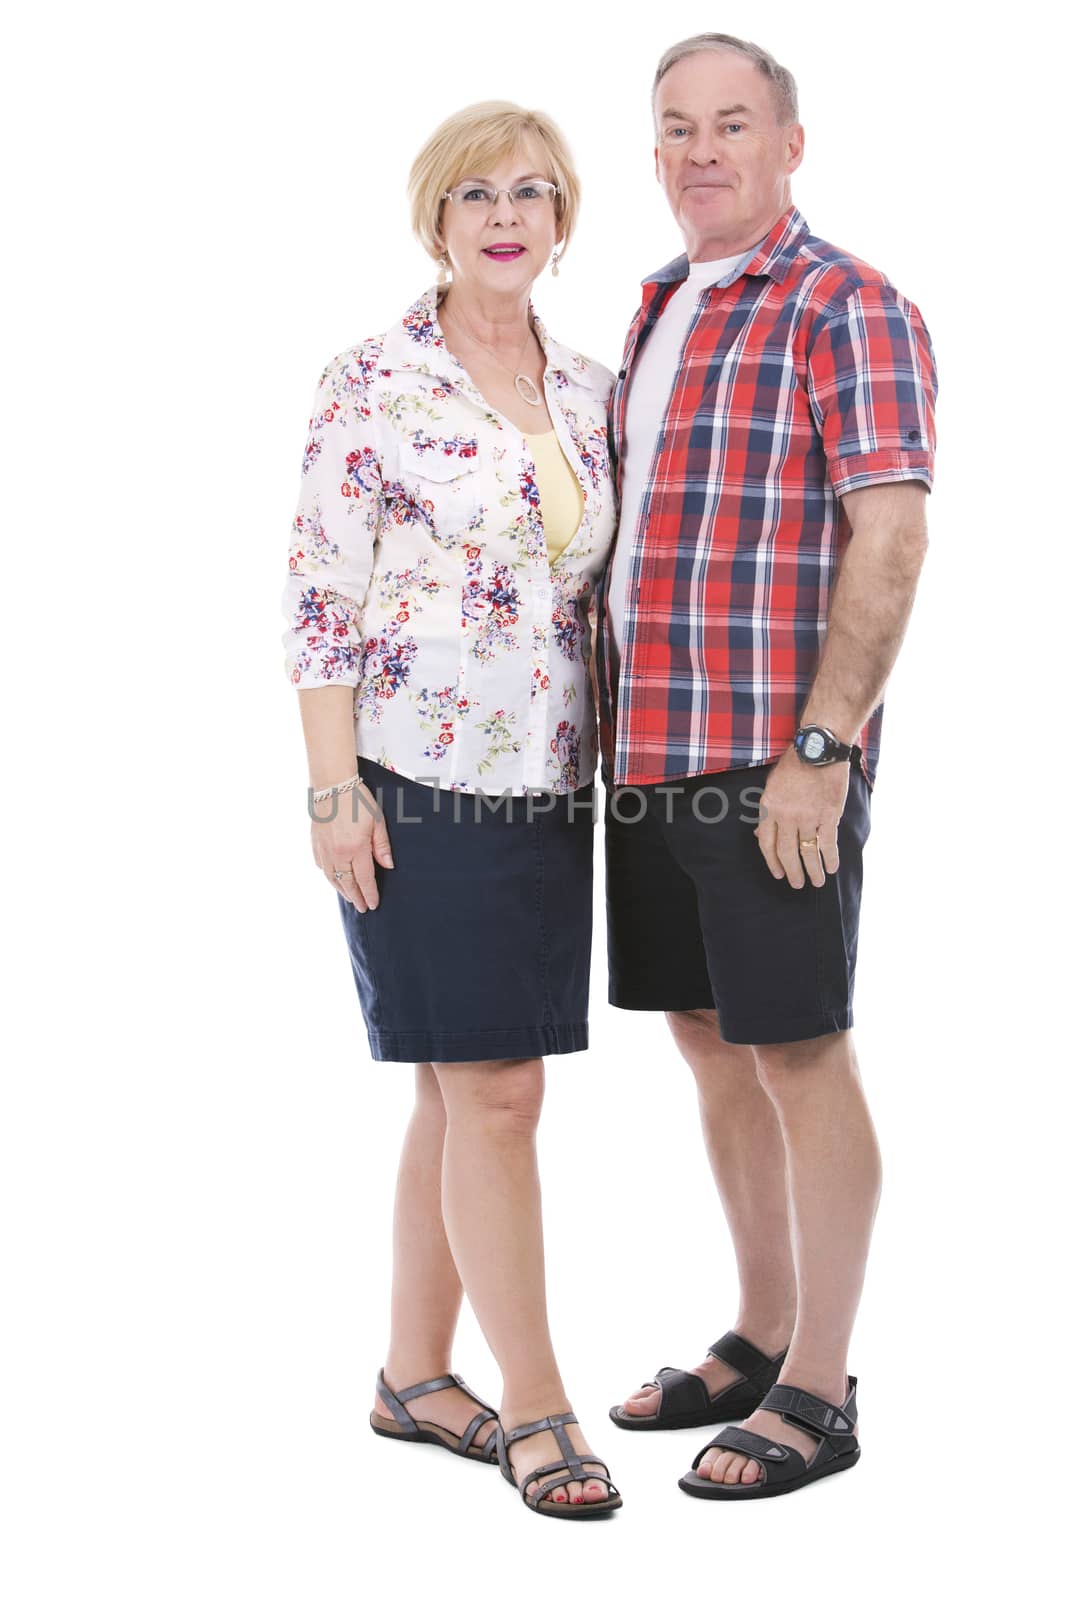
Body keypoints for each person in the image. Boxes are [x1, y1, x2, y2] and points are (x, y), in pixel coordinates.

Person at [596, 34, 937, 1499]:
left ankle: (821, 1386)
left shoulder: (846, 305)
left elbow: (894, 535)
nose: (702, 152)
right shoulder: (662, 301)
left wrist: (821, 748)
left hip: (767, 759)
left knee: (798, 1049)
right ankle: (759, 1325)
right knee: (705, 1038)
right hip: (646, 752)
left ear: (790, 144)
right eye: (676, 128)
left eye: (732, 124)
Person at [280, 101, 622, 1519]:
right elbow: (319, 601)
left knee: (457, 1085)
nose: (506, 215)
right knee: (498, 1092)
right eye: (477, 193)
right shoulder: (373, 381)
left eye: (533, 194)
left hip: (552, 779)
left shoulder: (598, 388)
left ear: (561, 220)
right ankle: (537, 1402)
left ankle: (415, 1376)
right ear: (436, 217)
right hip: (419, 784)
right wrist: (332, 788)